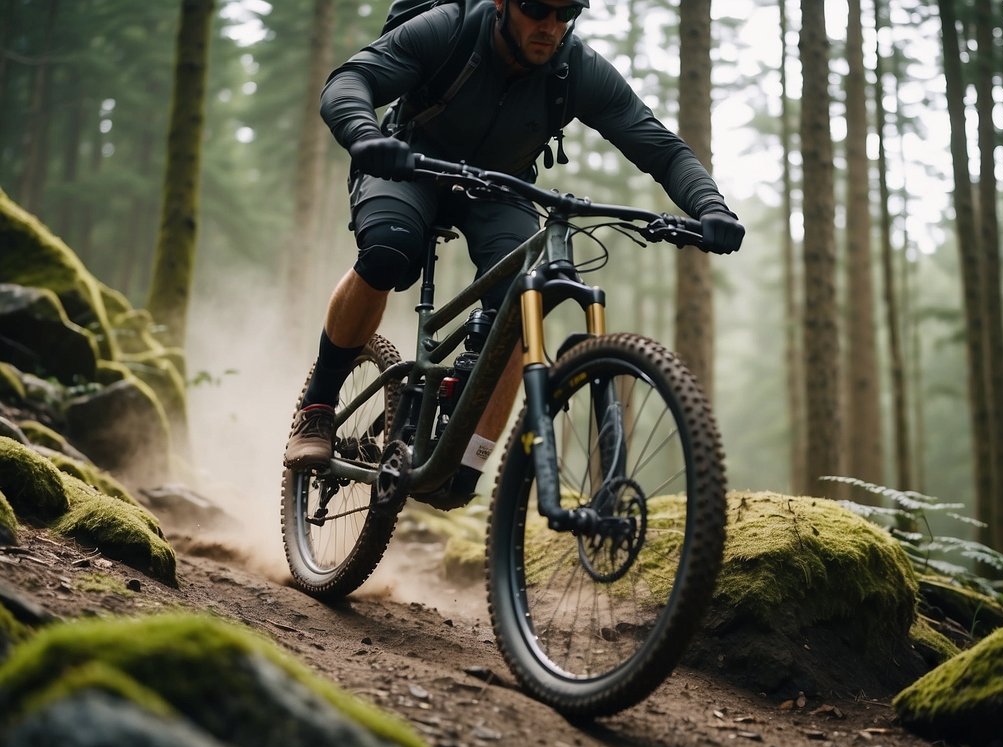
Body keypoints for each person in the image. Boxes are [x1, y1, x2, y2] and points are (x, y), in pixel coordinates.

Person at [285, 0, 745, 508]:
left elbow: (662, 147)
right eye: (536, 9)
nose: (550, 26)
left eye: (565, 12)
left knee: (520, 309)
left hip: (499, 191)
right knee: (390, 252)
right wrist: (366, 136)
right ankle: (319, 406)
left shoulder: (577, 68)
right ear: (503, 3)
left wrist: (710, 205)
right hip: (407, 164)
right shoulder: (452, 28)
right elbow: (350, 81)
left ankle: (467, 459)